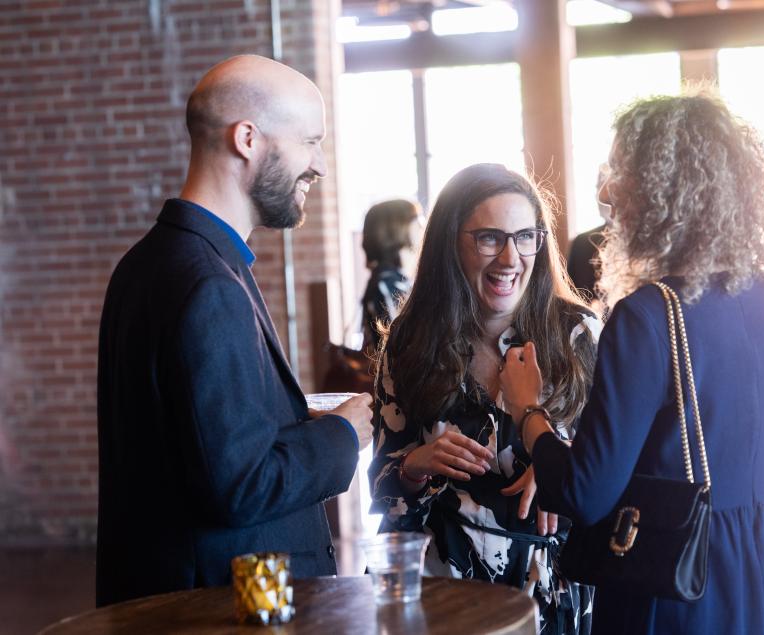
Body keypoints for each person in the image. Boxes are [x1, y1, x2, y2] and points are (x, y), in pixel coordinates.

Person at [500, 91, 764, 634]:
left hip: (682, 577)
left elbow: (586, 493)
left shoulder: (648, 316)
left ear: (657, 190)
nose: (607, 191)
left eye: (620, 171)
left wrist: (528, 410)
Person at [96, 55, 373, 607]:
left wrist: (292, 419)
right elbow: (239, 486)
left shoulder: (148, 262)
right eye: (310, 142)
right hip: (222, 610)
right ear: (247, 138)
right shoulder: (209, 283)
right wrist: (342, 433)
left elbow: (195, 445)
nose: (319, 165)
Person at [369, 163, 600, 634]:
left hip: (549, 587)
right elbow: (382, 484)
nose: (510, 257)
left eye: (525, 236)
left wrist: (560, 463)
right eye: (490, 238)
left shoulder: (577, 334)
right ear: (450, 243)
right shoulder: (410, 342)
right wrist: (418, 464)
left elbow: (617, 471)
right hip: (439, 584)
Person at [360, 198, 423, 352]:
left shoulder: (393, 280)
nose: (422, 225)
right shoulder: (387, 284)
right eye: (416, 219)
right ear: (397, 229)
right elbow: (401, 345)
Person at [566, 163, 611, 304]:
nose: (600, 195)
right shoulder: (581, 243)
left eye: (608, 186)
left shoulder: (644, 246)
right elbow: (569, 298)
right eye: (598, 186)